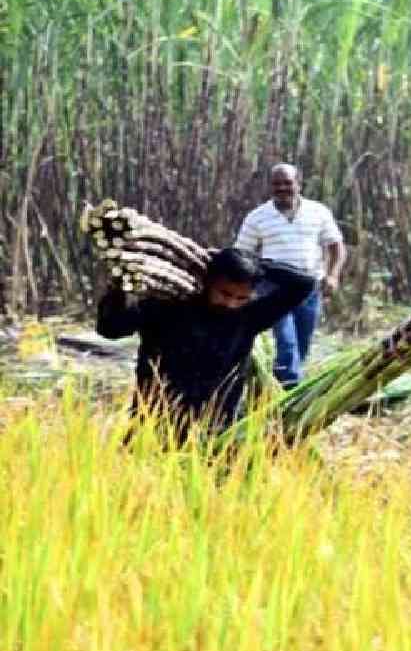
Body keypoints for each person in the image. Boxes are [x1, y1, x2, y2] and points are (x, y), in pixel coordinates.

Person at [96, 248, 317, 443]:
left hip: (216, 432)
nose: (231, 303)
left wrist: (258, 265)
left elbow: (304, 283)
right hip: (153, 426)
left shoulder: (250, 317)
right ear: (208, 281)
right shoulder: (167, 306)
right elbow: (111, 329)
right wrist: (118, 290)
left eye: (242, 298)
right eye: (224, 293)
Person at [235, 163, 346, 388]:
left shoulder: (318, 212)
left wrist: (333, 275)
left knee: (302, 343)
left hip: (309, 286)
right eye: (277, 184)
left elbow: (336, 246)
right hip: (275, 288)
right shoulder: (258, 217)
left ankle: (280, 388)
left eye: (288, 183)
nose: (282, 188)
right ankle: (289, 390)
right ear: (270, 186)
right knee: (286, 342)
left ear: (299, 183)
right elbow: (242, 253)